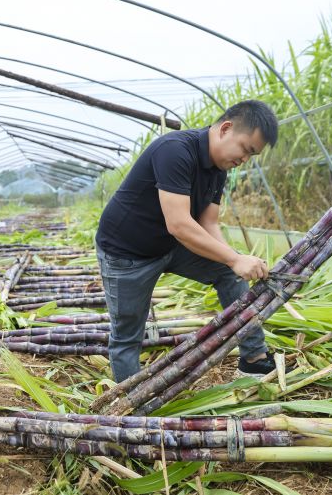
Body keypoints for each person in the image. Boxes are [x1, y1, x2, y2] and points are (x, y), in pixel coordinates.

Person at [95, 100, 279, 382]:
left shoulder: (219, 170)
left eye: (251, 155)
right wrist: (234, 258)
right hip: (126, 253)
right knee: (127, 333)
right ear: (226, 129)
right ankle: (130, 399)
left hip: (170, 246)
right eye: (246, 149)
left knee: (229, 273)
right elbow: (179, 224)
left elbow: (208, 223)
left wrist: (234, 259)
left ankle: (254, 358)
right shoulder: (175, 150)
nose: (244, 159)